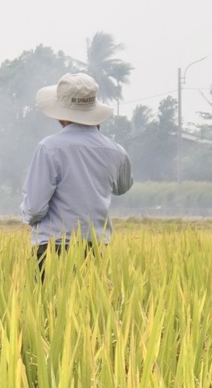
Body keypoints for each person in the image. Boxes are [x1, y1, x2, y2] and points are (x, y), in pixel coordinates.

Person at [21, 71, 133, 276]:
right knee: (89, 305)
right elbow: (122, 187)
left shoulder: (50, 148)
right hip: (97, 247)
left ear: (62, 115)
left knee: (48, 305)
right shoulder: (116, 151)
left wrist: (28, 216)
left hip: (53, 248)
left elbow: (35, 207)